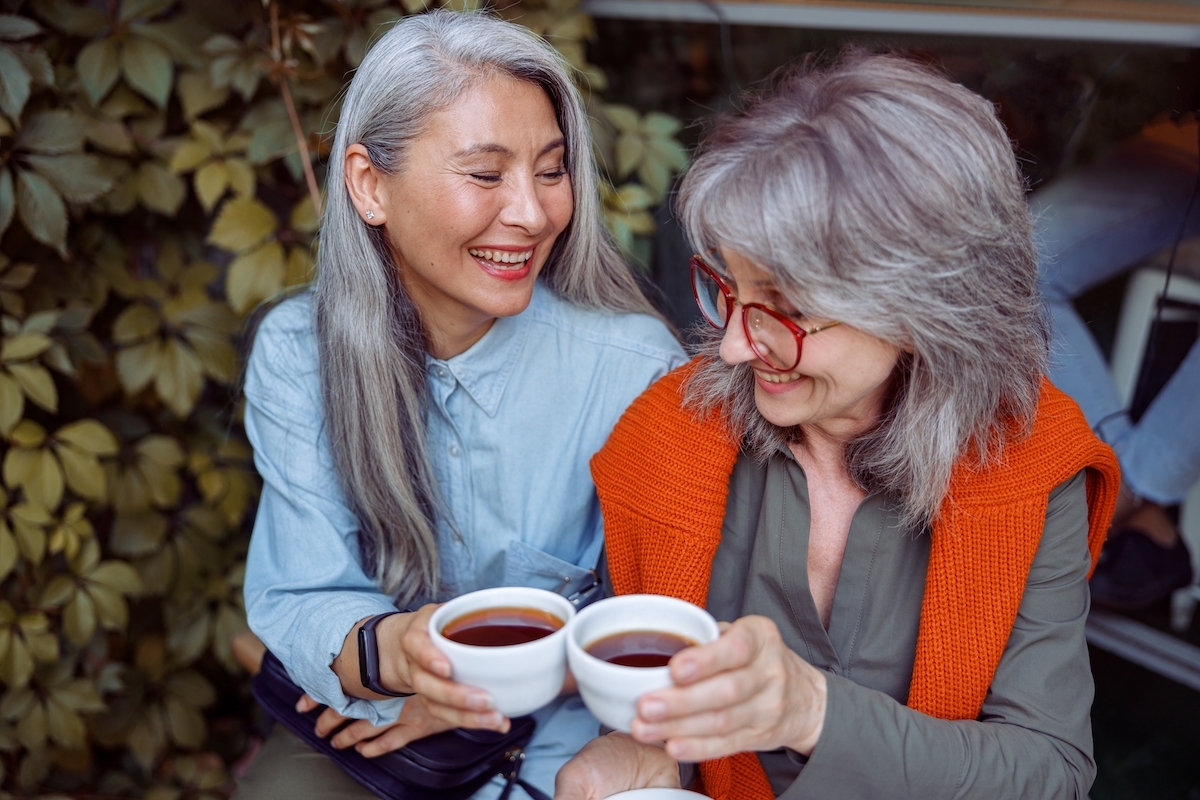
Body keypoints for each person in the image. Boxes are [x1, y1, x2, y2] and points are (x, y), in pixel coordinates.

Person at [556, 52, 1121, 800]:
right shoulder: (667, 439)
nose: (730, 346)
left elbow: (1048, 772)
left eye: (784, 307)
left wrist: (813, 709)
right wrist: (644, 759)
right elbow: (665, 708)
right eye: (728, 287)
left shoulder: (1031, 459)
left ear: (927, 309)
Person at [234, 10, 684, 800]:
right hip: (375, 725)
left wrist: (501, 688)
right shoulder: (298, 355)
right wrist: (400, 656)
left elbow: (667, 617)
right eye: (486, 174)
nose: (534, 213)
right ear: (370, 185)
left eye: (551, 170)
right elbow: (305, 592)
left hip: (570, 734)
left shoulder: (634, 369)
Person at [1033, 116, 1199, 609]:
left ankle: (1123, 484)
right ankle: (1125, 486)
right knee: (1013, 267)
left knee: (1009, 270)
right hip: (1182, 125)